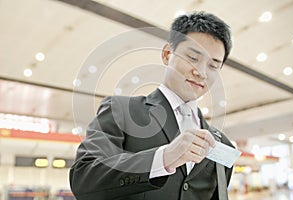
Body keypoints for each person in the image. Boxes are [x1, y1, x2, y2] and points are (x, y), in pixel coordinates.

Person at [70, 11, 234, 200]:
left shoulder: (221, 143)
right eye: (193, 58)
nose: (202, 73)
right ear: (167, 54)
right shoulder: (120, 111)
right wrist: (163, 158)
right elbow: (83, 179)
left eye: (213, 66)